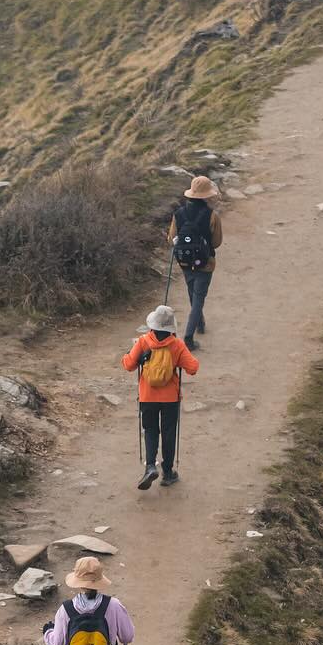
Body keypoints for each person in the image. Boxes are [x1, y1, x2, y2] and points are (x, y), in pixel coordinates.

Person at [122, 306, 199, 490]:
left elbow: (129, 365)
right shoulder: (177, 345)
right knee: (169, 433)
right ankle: (168, 472)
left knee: (150, 430)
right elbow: (193, 368)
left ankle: (150, 466)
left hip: (147, 396)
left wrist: (131, 357)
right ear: (171, 327)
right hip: (170, 398)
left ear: (153, 325)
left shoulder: (143, 342)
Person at [167, 176, 223, 350]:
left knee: (192, 292)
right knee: (199, 298)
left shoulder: (178, 214)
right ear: (207, 196)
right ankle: (189, 338)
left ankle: (200, 323)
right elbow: (216, 243)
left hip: (184, 262)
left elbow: (171, 239)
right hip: (206, 264)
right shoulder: (212, 216)